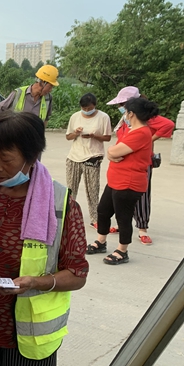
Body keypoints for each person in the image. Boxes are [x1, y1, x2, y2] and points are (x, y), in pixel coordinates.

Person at [0, 112, 89, 365]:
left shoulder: (60, 204)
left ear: (31, 156)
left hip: (31, 337)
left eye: (6, 159)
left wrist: (35, 282)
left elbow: (77, 274)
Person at [87, 97, 160, 264]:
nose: (124, 114)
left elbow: (114, 151)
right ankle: (101, 241)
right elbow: (113, 151)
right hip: (116, 180)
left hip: (128, 183)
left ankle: (122, 250)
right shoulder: (131, 130)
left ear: (131, 113)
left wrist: (112, 153)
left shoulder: (141, 133)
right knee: (103, 210)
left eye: (126, 111)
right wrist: (112, 153)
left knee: (123, 217)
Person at [107, 87, 175, 244]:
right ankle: (122, 224)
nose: (120, 108)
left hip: (140, 164)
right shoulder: (126, 119)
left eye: (122, 104)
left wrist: (149, 139)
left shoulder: (144, 119)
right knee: (121, 197)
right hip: (123, 163)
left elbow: (168, 125)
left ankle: (142, 228)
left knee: (142, 196)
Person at [65, 93, 112, 229]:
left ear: (94, 106)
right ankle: (68, 215)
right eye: (84, 108)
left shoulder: (103, 117)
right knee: (71, 189)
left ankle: (95, 218)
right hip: (74, 156)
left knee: (92, 189)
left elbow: (107, 137)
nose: (86, 111)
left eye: (89, 108)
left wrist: (93, 136)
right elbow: (68, 136)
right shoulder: (75, 116)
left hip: (93, 155)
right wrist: (76, 132)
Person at [0, 64, 59, 128]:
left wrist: (41, 133)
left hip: (34, 135)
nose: (51, 90)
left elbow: (46, 119)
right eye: (50, 86)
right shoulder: (18, 93)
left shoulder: (48, 98)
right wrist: (5, 127)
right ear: (43, 83)